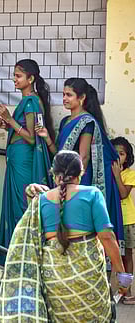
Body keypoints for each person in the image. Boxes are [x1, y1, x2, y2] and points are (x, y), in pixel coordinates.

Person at [0, 150, 131, 322]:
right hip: (88, 279)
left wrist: (31, 190)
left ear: (54, 173)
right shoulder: (92, 194)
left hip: (55, 279)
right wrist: (121, 273)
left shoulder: (41, 200)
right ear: (80, 172)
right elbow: (106, 237)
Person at [36, 77, 124, 246]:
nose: (64, 99)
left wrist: (70, 182)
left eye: (69, 95)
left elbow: (83, 157)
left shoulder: (87, 122)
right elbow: (60, 156)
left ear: (81, 98)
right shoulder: (65, 122)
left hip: (80, 177)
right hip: (65, 177)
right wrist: (47, 138)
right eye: (63, 94)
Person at [0, 59, 54, 265]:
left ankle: (23, 256)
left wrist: (10, 120)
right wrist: (7, 125)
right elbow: (22, 132)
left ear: (31, 79)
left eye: (18, 76)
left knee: (22, 206)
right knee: (16, 204)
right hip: (16, 159)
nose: (14, 79)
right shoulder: (27, 101)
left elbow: (31, 137)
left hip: (24, 162)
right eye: (15, 75)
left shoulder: (32, 102)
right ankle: (15, 254)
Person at [111, 136, 135, 304]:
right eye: (116, 153)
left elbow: (123, 194)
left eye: (122, 153)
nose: (119, 157)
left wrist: (118, 175)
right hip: (111, 220)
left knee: (127, 256)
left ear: (128, 157)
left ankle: (127, 292)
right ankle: (112, 291)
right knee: (110, 256)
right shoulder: (106, 173)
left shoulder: (129, 174)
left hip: (127, 220)